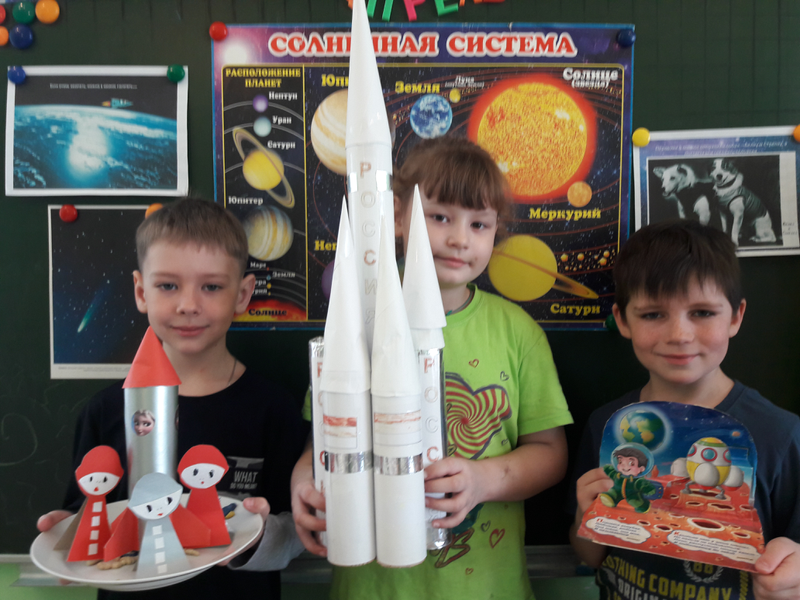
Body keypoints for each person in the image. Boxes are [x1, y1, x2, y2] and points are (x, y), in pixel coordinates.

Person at [291, 136, 574, 599]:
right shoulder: (354, 323)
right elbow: (321, 440)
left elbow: (550, 453)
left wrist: (482, 481)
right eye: (440, 217)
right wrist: (305, 483)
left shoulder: (517, 333)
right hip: (372, 587)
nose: (460, 238)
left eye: (479, 224)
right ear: (397, 215)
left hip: (484, 588)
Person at [37, 198, 309, 600]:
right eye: (168, 285)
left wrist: (262, 535)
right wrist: (68, 538)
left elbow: (294, 537)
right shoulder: (105, 411)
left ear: (242, 294)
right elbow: (89, 518)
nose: (188, 305)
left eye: (211, 287)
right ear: (140, 291)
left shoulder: (273, 409)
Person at [569, 220, 800, 600]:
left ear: (735, 316)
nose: (679, 335)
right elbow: (591, 556)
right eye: (653, 314)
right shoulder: (607, 425)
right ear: (623, 320)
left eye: (703, 313)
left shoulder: (780, 435)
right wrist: (586, 514)